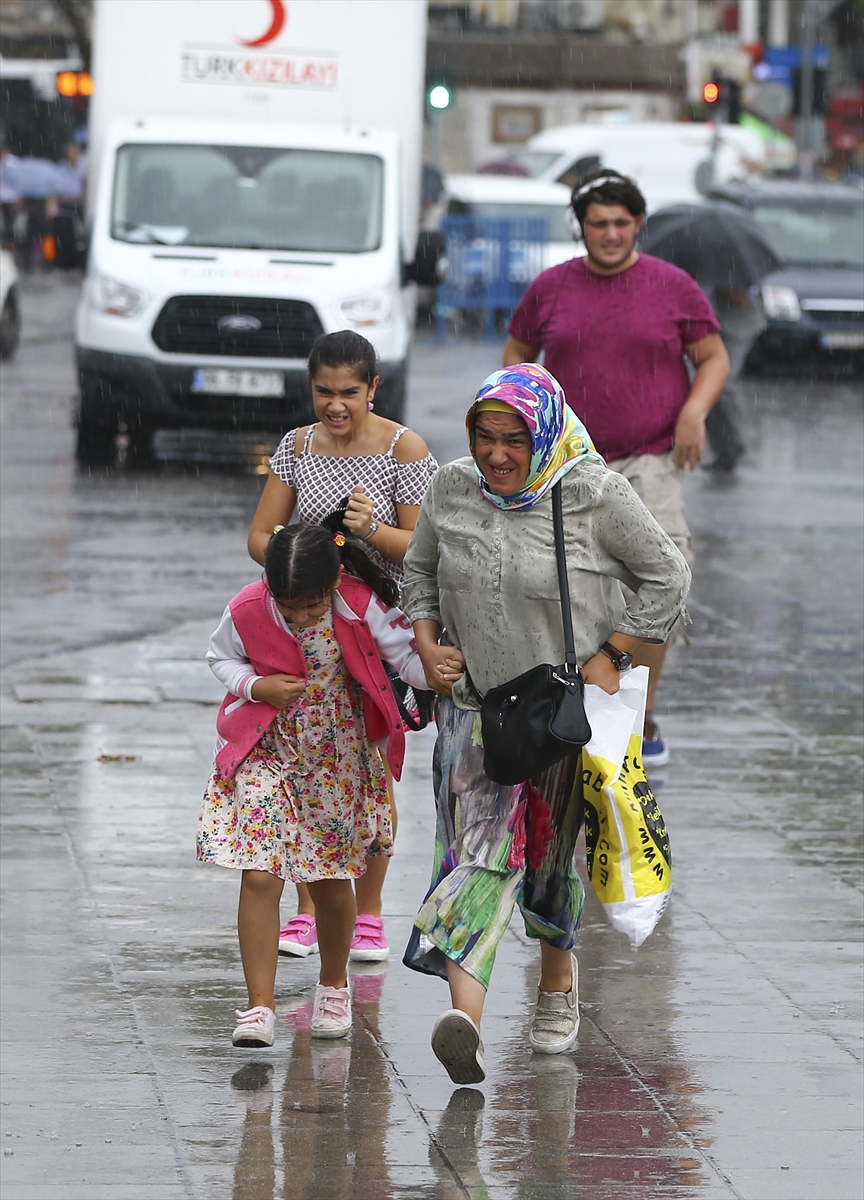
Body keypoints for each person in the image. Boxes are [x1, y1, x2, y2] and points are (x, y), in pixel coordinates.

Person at [401, 363, 690, 1084]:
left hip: (554, 715)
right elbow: (420, 571)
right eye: (485, 436)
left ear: (549, 434)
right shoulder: (451, 487)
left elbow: (668, 577)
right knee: (478, 854)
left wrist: (613, 654)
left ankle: (557, 982)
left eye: (515, 440)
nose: (496, 455)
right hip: (471, 708)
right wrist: (429, 641)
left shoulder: (592, 493)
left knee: (549, 863)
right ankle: (466, 1022)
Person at [503, 169, 729, 766]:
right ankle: (567, 704)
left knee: (665, 573)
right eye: (598, 223)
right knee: (565, 583)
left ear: (638, 225)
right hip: (567, 464)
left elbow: (712, 357)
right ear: (580, 227)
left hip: (650, 457)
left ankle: (639, 714)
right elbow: (518, 356)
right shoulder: (551, 287)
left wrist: (694, 411)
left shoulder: (672, 286)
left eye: (621, 223)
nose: (609, 234)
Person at [198, 521, 431, 1046]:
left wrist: (441, 667)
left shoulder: (359, 603)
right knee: (260, 874)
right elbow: (220, 657)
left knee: (328, 880)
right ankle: (259, 1007)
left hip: (337, 760)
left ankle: (333, 987)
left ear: (334, 581)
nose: (300, 617)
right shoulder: (248, 606)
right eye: (288, 608)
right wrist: (255, 685)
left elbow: (408, 660)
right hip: (267, 752)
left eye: (311, 606)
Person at [247, 330, 438, 962]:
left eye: (349, 393)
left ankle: (369, 911)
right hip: (307, 629)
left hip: (377, 632)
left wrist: (370, 531)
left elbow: (423, 548)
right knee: (305, 766)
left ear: (373, 388)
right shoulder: (296, 447)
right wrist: (305, 553)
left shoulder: (404, 448)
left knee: (371, 770)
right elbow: (259, 537)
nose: (335, 405)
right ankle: (310, 909)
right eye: (323, 392)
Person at [703, 286, 766, 471]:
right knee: (704, 385)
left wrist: (720, 285)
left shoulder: (728, 270)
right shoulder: (696, 269)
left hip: (736, 327)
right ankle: (723, 448)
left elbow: (741, 297)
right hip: (709, 327)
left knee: (721, 384)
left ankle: (732, 444)